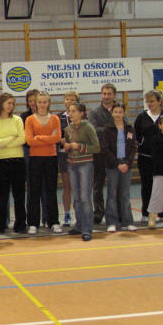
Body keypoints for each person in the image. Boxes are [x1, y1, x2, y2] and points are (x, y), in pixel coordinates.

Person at [0, 93, 27, 235]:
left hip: (18, 160)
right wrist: (12, 137)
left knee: (19, 195)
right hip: (1, 162)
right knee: (2, 196)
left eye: (12, 103)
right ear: (1, 104)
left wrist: (4, 142)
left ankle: (21, 225)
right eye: (8, 103)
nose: (11, 106)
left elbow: (22, 139)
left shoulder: (17, 120)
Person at [134, 90, 163, 221]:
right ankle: (146, 213)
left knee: (162, 186)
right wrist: (142, 143)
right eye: (147, 101)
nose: (149, 104)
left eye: (152, 101)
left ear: (159, 101)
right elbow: (137, 134)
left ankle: (162, 214)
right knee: (147, 185)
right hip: (145, 157)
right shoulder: (141, 117)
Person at [24, 91, 62, 234]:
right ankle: (33, 223)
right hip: (35, 158)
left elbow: (57, 138)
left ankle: (54, 222)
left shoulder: (55, 118)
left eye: (44, 102)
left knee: (51, 190)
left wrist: (38, 137)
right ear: (35, 103)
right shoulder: (29, 120)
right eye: (39, 102)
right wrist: (48, 138)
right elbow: (29, 140)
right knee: (34, 191)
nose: (41, 104)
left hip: (51, 157)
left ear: (48, 103)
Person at [64, 103, 100, 241]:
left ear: (81, 113)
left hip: (85, 164)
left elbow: (96, 147)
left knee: (85, 198)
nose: (71, 114)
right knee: (77, 198)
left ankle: (87, 229)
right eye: (69, 111)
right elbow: (67, 145)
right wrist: (67, 146)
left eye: (74, 111)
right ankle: (79, 225)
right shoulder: (68, 128)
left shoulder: (88, 127)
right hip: (72, 164)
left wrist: (80, 147)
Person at [101, 103, 137, 232]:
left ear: (124, 113)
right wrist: (117, 163)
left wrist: (127, 163)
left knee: (125, 194)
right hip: (113, 165)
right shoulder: (107, 129)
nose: (117, 114)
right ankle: (112, 222)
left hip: (126, 164)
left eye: (120, 112)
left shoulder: (130, 128)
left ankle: (128, 221)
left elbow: (133, 147)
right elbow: (105, 149)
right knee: (112, 193)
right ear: (112, 113)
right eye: (115, 112)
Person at [89, 83, 117, 224]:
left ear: (114, 95)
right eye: (104, 94)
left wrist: (106, 129)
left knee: (115, 185)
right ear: (101, 95)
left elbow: (125, 127)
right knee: (98, 185)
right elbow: (93, 130)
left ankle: (115, 212)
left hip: (115, 153)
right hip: (99, 153)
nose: (106, 96)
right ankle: (98, 212)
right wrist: (112, 128)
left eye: (109, 94)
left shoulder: (119, 110)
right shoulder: (94, 112)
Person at [59, 91, 79, 227]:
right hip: (64, 154)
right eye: (67, 99)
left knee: (78, 186)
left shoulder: (82, 116)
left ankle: (80, 214)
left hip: (79, 155)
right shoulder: (58, 117)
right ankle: (67, 214)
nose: (69, 102)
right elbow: (56, 135)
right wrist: (63, 141)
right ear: (64, 101)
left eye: (72, 100)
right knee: (66, 186)